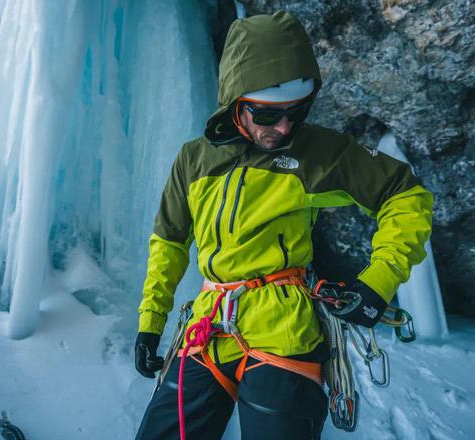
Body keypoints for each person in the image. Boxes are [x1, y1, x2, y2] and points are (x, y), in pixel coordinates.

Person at [134, 10, 432, 440]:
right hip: (206, 328)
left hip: (285, 330)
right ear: (236, 102)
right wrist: (150, 323)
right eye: (269, 115)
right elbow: (170, 241)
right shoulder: (194, 159)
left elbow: (407, 195)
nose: (285, 126)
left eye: (297, 111)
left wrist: (377, 282)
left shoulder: (319, 152)